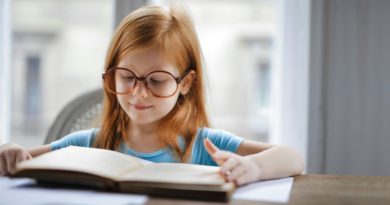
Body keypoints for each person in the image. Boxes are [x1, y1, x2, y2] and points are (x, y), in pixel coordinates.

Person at [0, 4, 304, 186]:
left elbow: (292, 158)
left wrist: (255, 167)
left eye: (156, 81)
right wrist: (10, 150)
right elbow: (20, 161)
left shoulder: (204, 145)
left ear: (186, 83)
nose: (138, 92)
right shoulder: (89, 144)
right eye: (127, 77)